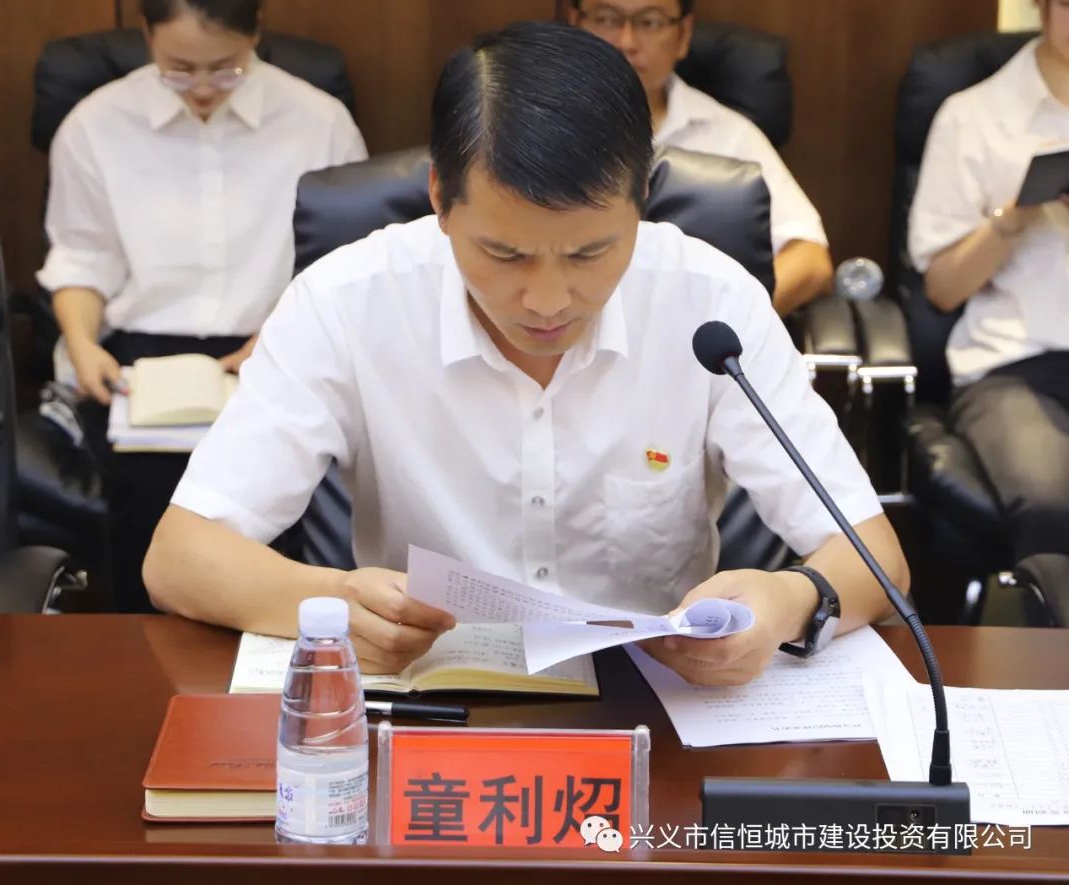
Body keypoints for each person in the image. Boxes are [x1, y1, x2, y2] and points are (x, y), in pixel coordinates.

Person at [145, 22, 905, 687]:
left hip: (655, 703)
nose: (547, 300)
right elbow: (179, 557)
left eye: (589, 253)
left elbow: (875, 559)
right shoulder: (346, 301)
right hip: (434, 704)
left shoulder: (712, 304)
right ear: (440, 198)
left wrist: (790, 599)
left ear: (642, 198)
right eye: (505, 254)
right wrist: (330, 601)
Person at [37, 0, 368, 612]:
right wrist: (81, 344)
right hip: (138, 359)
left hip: (276, 346)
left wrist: (276, 338)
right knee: (149, 501)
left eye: (226, 68)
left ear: (256, 32)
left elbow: (339, 263)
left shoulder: (319, 121)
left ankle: (272, 653)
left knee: (277, 496)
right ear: (146, 35)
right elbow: (82, 260)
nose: (204, 88)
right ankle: (144, 652)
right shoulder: (96, 124)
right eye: (179, 69)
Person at [908, 0, 1069, 622]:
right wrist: (1015, 214)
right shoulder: (975, 116)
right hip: (1013, 368)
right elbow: (943, 289)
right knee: (1054, 501)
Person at [569, 0, 833, 318]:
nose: (626, 42)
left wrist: (726, 323)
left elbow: (810, 260)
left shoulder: (729, 135)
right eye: (605, 18)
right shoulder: (532, 124)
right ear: (575, 23)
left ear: (683, 35)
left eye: (649, 22)